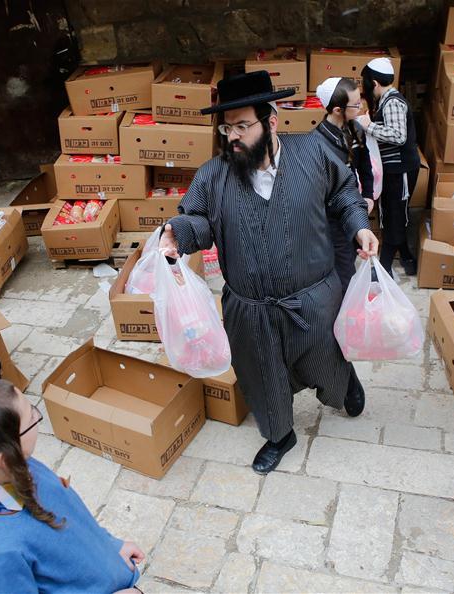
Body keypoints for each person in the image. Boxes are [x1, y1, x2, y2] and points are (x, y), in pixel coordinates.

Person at [159, 71, 379, 474]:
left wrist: (360, 226)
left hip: (313, 299)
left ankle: (344, 385)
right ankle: (280, 434)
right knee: (262, 376)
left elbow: (346, 194)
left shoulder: (313, 155)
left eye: (243, 125)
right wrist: (178, 233)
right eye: (227, 128)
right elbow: (198, 220)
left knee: (326, 358)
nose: (233, 137)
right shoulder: (213, 175)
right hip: (251, 309)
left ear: (271, 120)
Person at [0, 379, 145, 594]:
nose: (37, 417)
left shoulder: (18, 465)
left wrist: (111, 546)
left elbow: (70, 516)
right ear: (3, 458)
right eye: (31, 417)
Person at [356, 57, 421, 277]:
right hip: (393, 170)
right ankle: (406, 255)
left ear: (374, 83)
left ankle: (383, 268)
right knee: (393, 213)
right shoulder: (386, 100)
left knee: (395, 215)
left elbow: (398, 135)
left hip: (400, 170)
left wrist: (369, 126)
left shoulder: (392, 101)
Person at [313, 76, 376, 293]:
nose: (360, 108)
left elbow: (365, 166)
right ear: (338, 109)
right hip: (331, 217)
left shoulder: (356, 129)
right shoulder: (317, 142)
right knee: (342, 268)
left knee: (348, 261)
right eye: (356, 104)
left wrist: (368, 195)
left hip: (353, 208)